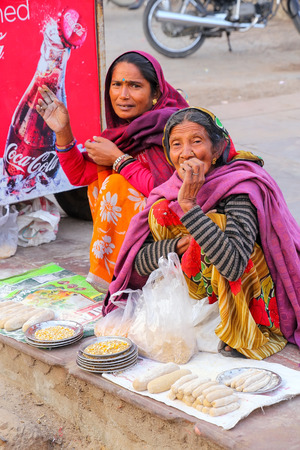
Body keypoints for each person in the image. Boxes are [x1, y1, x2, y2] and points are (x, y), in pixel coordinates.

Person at [103, 107, 300, 360]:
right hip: (192, 297)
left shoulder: (239, 186)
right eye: (176, 144)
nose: (186, 153)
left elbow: (234, 265)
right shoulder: (168, 191)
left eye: (197, 141)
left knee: (215, 222)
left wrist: (190, 208)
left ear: (217, 149)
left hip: (244, 296)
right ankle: (202, 321)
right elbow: (138, 262)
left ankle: (240, 328)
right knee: (161, 212)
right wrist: (176, 246)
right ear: (168, 152)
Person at [36, 51, 189, 290]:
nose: (123, 95)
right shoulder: (124, 133)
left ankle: (124, 276)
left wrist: (119, 159)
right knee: (101, 181)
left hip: (183, 228)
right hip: (148, 230)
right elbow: (80, 176)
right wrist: (63, 131)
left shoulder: (173, 128)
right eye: (116, 85)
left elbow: (169, 190)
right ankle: (121, 273)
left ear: (156, 93)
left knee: (115, 185)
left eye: (135, 86)